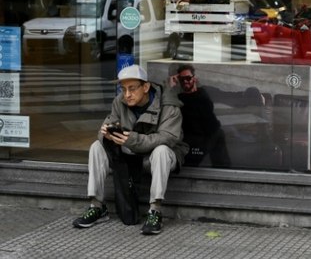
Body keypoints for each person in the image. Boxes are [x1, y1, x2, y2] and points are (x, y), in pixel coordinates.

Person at [72, 64, 188, 235]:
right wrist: (107, 135)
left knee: (161, 151)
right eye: (123, 89)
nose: (127, 94)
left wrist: (132, 139)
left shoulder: (169, 105)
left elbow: (168, 137)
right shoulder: (119, 101)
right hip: (130, 154)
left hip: (158, 156)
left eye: (132, 89)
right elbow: (105, 127)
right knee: (97, 146)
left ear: (146, 87)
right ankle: (97, 206)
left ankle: (155, 210)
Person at [168, 64, 230, 168]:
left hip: (208, 137)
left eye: (188, 78)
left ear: (195, 78)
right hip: (191, 143)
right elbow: (168, 109)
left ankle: (224, 170)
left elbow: (226, 95)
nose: (185, 81)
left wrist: (257, 96)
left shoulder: (204, 92)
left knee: (219, 133)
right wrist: (171, 88)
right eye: (181, 79)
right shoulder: (179, 99)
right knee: (219, 133)